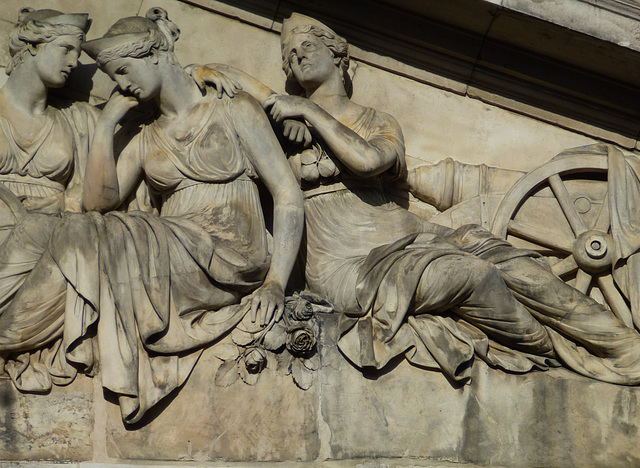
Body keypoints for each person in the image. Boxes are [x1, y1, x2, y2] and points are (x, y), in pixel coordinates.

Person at [192, 13, 640, 385]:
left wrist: (309, 113)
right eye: (289, 53)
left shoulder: (374, 119)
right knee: (473, 274)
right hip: (346, 264)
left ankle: (621, 345)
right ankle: (558, 349)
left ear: (339, 53)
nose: (297, 54)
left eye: (308, 43)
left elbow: (369, 161)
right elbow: (227, 84)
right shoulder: (281, 131)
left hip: (410, 234)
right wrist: (216, 77)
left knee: (512, 260)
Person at [0, 8, 304, 424]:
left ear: (156, 54)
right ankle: (13, 332)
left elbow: (287, 194)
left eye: (124, 70)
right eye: (113, 76)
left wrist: (275, 283)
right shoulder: (145, 138)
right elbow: (97, 203)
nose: (122, 85)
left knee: (106, 233)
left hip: (232, 251)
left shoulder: (235, 111)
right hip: (172, 243)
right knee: (79, 231)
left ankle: (12, 335)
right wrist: (106, 126)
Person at [0, 8, 97, 392]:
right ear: (32, 46)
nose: (74, 63)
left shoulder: (77, 121)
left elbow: (88, 195)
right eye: (66, 49)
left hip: (53, 231)